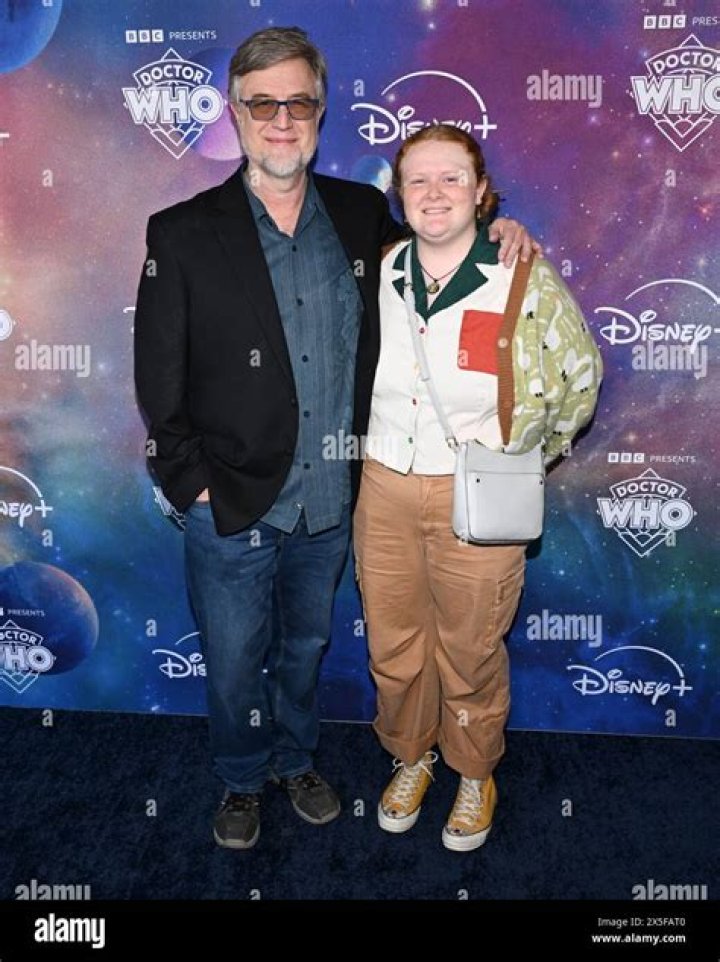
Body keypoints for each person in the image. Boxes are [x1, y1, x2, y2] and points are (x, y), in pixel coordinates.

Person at [134, 27, 535, 851]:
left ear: (320, 113)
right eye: (263, 104)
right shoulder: (181, 231)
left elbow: (440, 251)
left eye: (299, 103)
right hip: (230, 502)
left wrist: (504, 231)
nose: (282, 120)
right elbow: (157, 373)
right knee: (234, 660)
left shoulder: (359, 215)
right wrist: (191, 482)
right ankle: (242, 777)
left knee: (306, 648)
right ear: (236, 113)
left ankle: (295, 760)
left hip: (332, 498)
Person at [353, 124, 602, 851]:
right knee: (394, 646)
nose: (434, 193)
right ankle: (411, 757)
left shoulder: (519, 276)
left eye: (452, 178)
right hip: (382, 487)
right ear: (399, 194)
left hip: (478, 495)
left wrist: (522, 459)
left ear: (481, 191)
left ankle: (472, 771)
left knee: (470, 648)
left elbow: (580, 379)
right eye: (418, 179)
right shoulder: (375, 272)